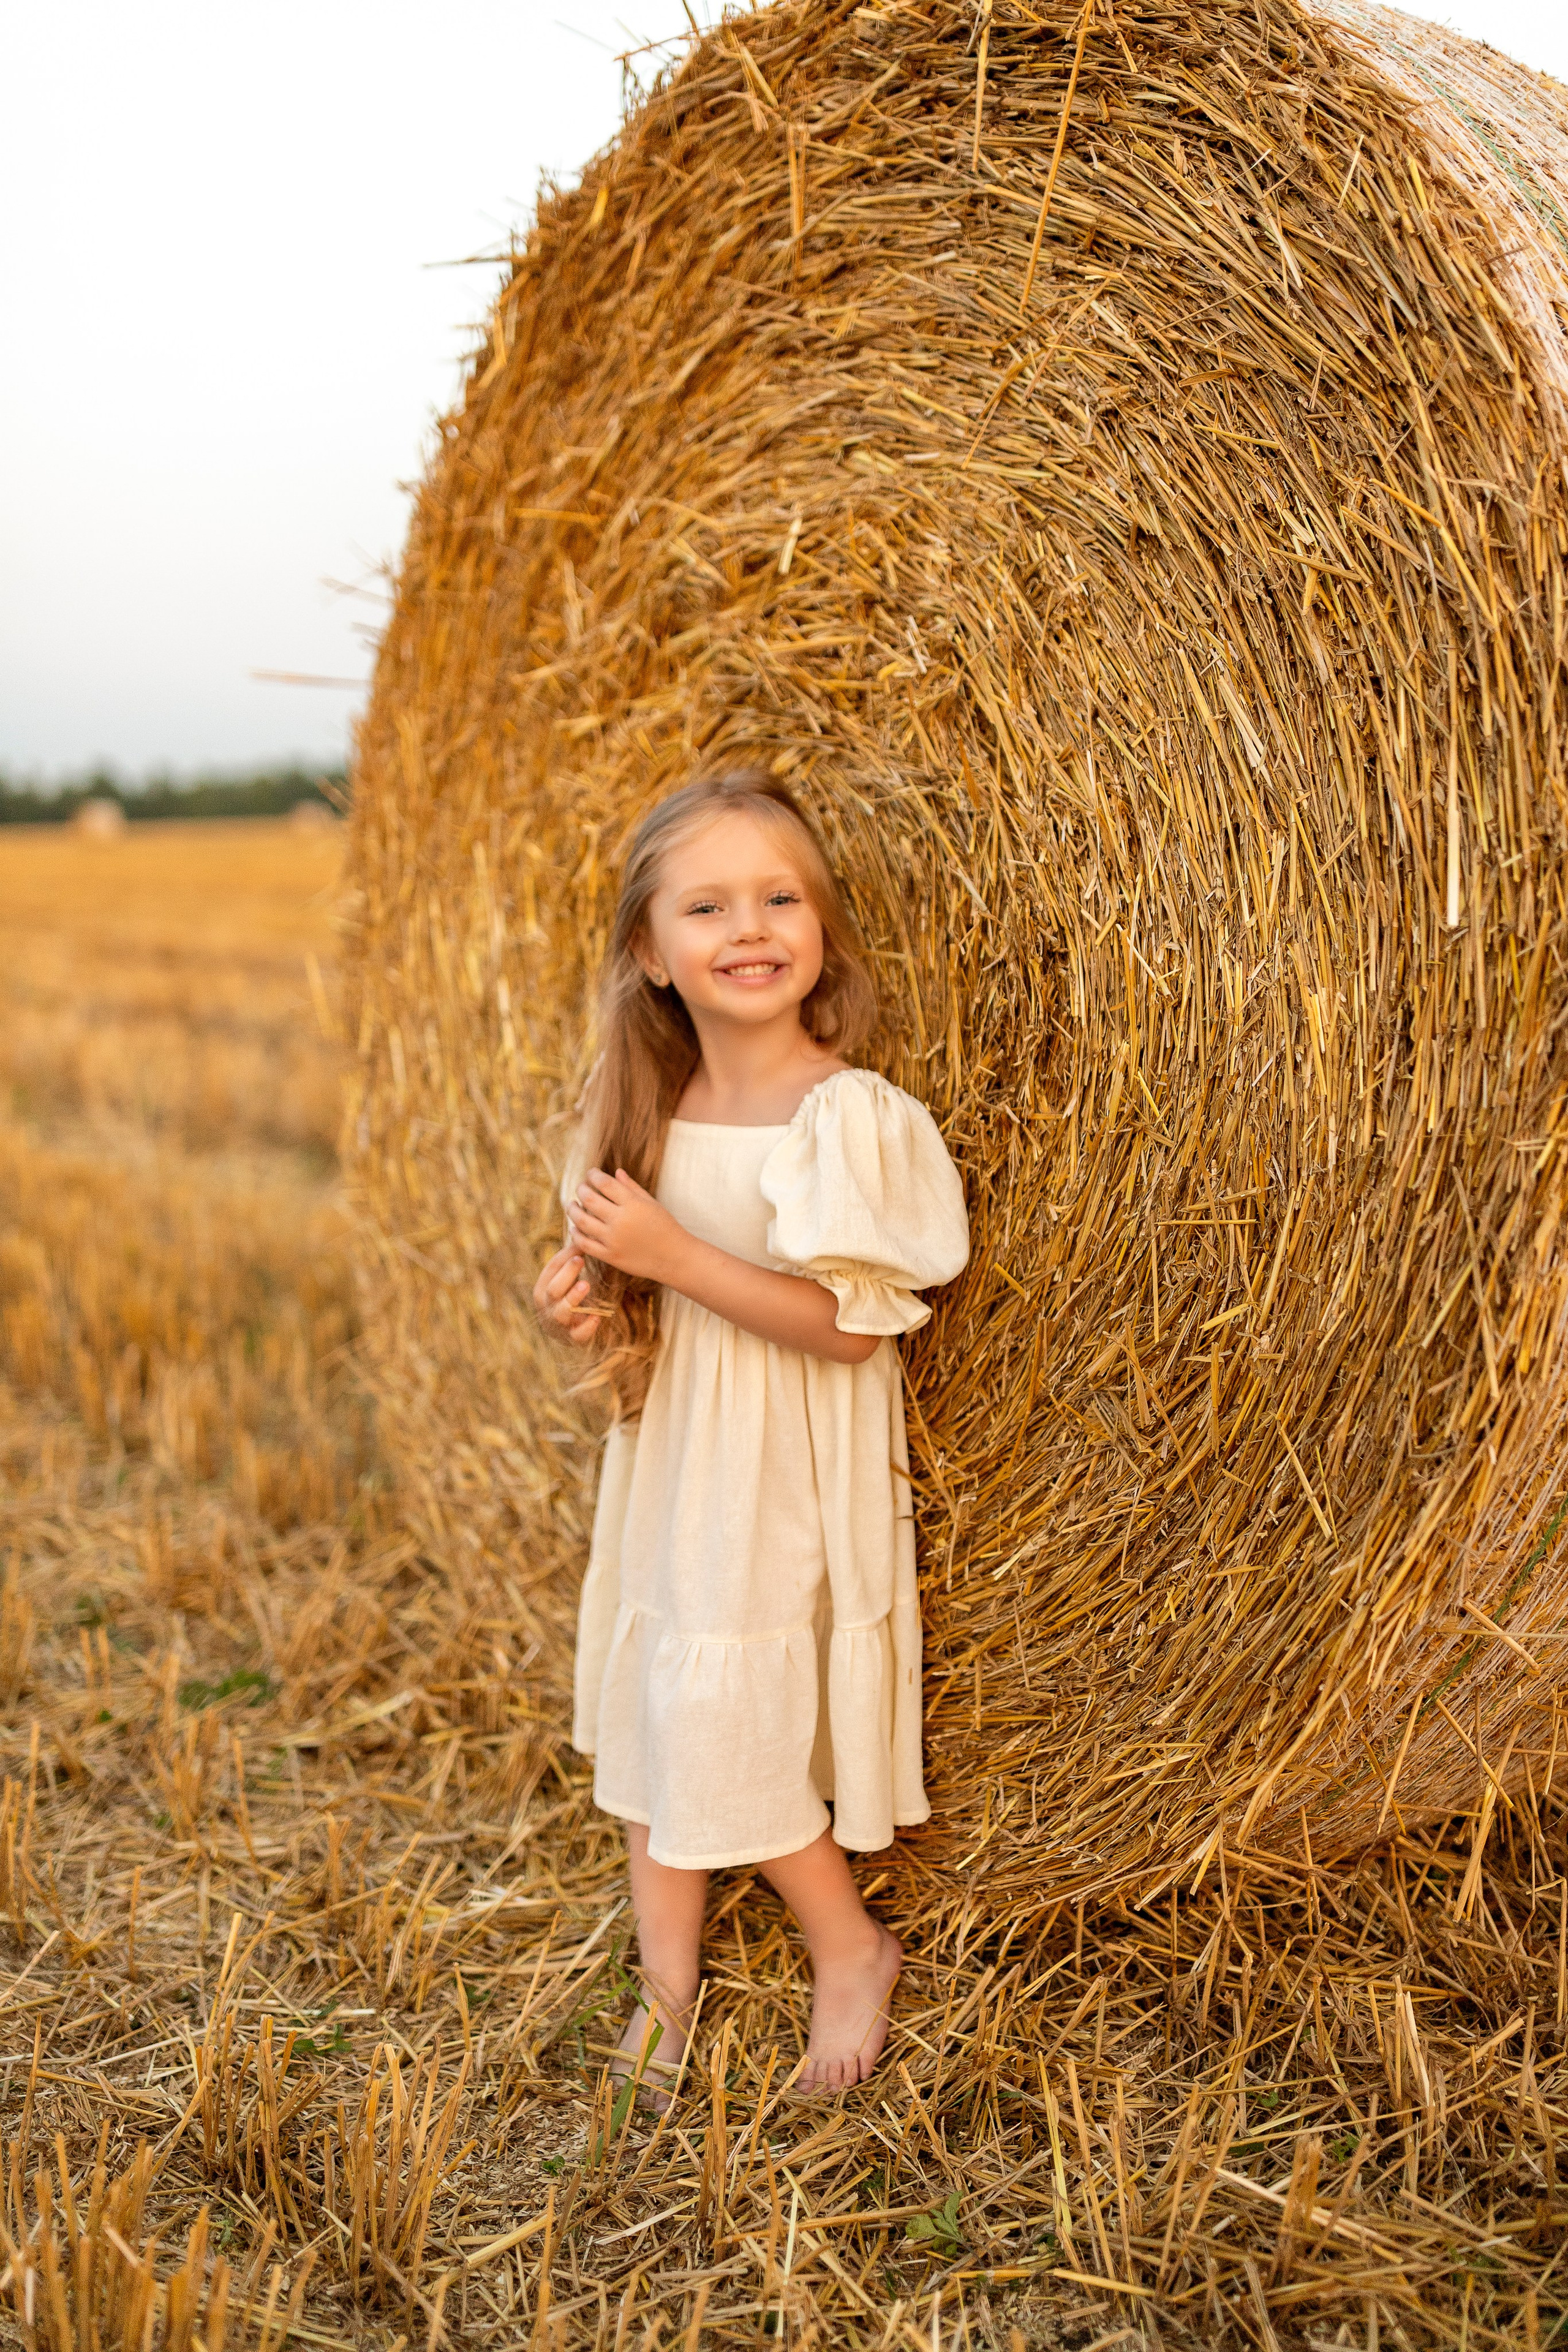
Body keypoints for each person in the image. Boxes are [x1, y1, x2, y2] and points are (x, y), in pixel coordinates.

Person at [533, 771, 968, 2097]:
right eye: (709, 906)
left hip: (784, 1461)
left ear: (822, 927)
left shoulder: (847, 1115)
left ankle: (849, 1946)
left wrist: (671, 1253)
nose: (751, 927)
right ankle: (664, 1986)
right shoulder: (638, 1115)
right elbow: (627, 1307)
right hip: (675, 1457)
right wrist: (586, 1303)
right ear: (649, 953)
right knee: (656, 1693)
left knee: (715, 1703)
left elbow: (850, 1330)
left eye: (781, 898)